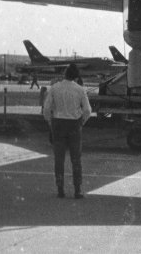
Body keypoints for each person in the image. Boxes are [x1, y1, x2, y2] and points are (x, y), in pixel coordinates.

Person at [42, 63, 92, 198]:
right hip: (74, 125)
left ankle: (60, 189)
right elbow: (87, 110)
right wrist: (82, 121)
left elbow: (46, 109)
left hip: (58, 124)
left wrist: (49, 122)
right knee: (76, 159)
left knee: (59, 159)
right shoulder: (80, 89)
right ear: (76, 76)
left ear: (65, 73)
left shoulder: (55, 88)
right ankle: (78, 189)